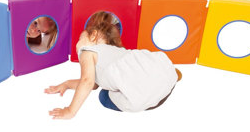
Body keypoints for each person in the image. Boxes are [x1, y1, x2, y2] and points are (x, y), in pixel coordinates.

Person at [45, 11, 182, 119]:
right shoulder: (115, 52)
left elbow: (87, 82)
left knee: (104, 96)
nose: (77, 44)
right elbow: (93, 84)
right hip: (165, 87)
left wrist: (70, 111)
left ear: (93, 36)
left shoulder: (87, 51)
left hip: (142, 100)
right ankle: (171, 74)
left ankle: (152, 85)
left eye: (80, 38)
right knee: (142, 65)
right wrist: (67, 84)